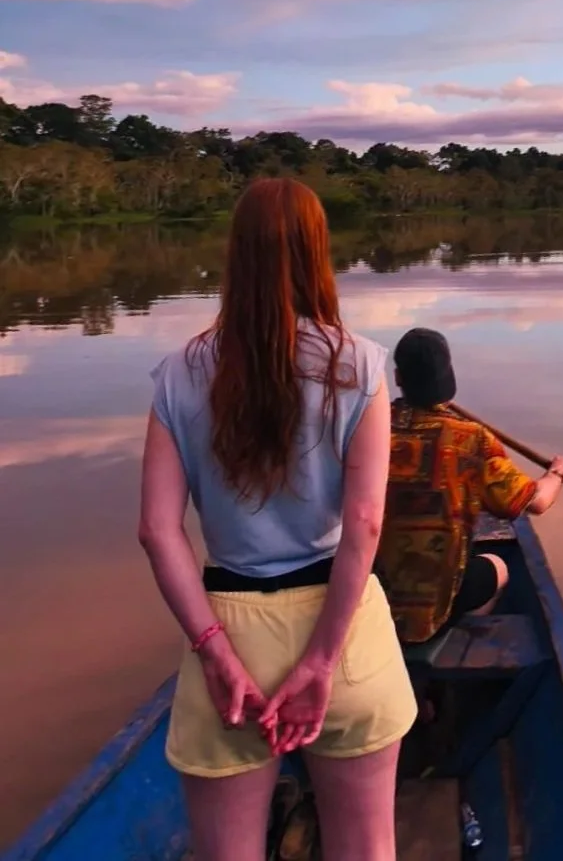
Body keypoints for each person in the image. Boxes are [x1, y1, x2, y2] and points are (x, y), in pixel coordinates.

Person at [138, 178, 416, 861]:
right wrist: (321, 659)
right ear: (319, 252)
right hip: (345, 640)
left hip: (229, 634)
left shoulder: (179, 373)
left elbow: (156, 530)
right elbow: (366, 523)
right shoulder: (363, 365)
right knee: (366, 847)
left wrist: (214, 650)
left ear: (236, 256)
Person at [375, 327, 563, 645]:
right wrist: (557, 475)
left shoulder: (368, 428)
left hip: (370, 601)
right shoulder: (472, 440)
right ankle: (449, 641)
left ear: (398, 377)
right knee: (499, 566)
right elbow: (535, 502)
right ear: (447, 378)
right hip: (430, 609)